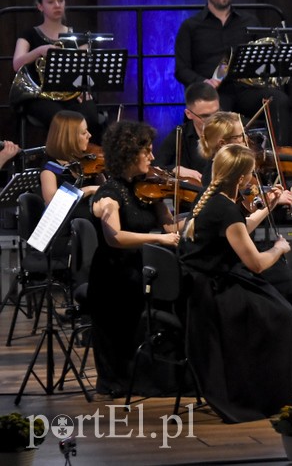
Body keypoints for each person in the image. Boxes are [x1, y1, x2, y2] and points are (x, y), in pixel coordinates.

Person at [180, 144, 292, 421]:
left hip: (204, 282)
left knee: (278, 308)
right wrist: (279, 249)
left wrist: (268, 205)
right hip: (213, 292)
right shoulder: (225, 209)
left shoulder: (213, 199)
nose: (254, 179)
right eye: (252, 174)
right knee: (281, 316)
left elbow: (239, 230)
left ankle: (277, 388)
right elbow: (255, 263)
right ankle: (267, 393)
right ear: (242, 177)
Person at [197, 111, 292, 372]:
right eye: (241, 136)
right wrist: (278, 247)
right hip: (230, 267)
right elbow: (247, 234)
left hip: (237, 255)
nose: (247, 140)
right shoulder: (219, 183)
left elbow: (253, 212)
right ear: (222, 144)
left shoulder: (229, 177)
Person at [87, 121, 182, 398]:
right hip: (112, 276)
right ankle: (122, 380)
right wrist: (158, 240)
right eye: (147, 152)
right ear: (130, 154)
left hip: (139, 268)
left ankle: (160, 372)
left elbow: (170, 227)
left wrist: (200, 216)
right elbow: (115, 238)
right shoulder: (110, 193)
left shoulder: (148, 188)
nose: (152, 158)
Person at [174, 0, 291, 144]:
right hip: (213, 94)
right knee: (215, 112)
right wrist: (203, 82)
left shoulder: (249, 21)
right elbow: (181, 70)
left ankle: (279, 162)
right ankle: (217, 167)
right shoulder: (190, 26)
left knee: (279, 100)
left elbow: (264, 58)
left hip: (246, 90)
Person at [12, 0, 102, 139]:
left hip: (73, 95)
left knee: (92, 117)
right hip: (40, 96)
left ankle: (88, 159)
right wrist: (40, 51)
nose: (57, 5)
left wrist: (84, 88)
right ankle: (60, 159)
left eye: (61, 0)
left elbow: (85, 70)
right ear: (40, 6)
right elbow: (17, 63)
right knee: (61, 119)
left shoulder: (78, 37)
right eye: (51, 1)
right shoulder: (29, 34)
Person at [40, 110, 104, 220]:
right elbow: (53, 202)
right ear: (68, 138)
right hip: (72, 222)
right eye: (84, 133)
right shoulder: (49, 169)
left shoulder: (86, 161)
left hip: (91, 214)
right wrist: (88, 189)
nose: (89, 135)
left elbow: (104, 187)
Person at [154, 82, 220, 182]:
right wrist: (175, 169)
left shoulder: (229, 132)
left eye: (216, 114)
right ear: (189, 114)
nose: (212, 120)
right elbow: (156, 166)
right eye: (205, 116)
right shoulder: (179, 134)